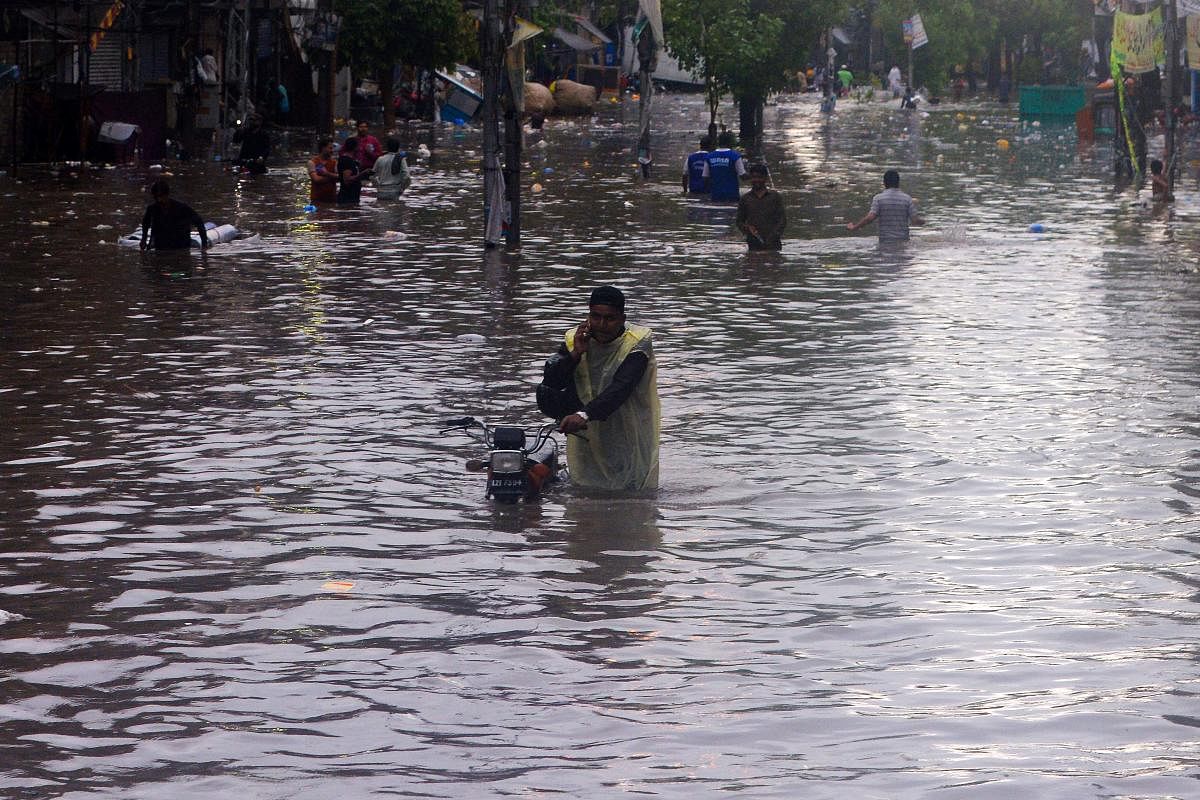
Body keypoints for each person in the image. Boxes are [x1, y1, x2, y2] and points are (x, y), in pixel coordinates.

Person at [536, 285, 660, 492]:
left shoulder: (638, 342)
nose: (602, 325)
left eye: (609, 318)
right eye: (595, 317)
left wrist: (584, 414)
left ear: (622, 318)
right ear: (588, 316)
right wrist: (575, 354)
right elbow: (553, 382)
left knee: (631, 491)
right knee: (585, 490)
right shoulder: (574, 338)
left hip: (627, 427)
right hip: (585, 428)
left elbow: (621, 387)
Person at [847, 169, 925, 242]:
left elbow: (870, 218)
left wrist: (855, 227)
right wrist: (924, 222)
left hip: (884, 240)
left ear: (884, 183)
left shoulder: (878, 199)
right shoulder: (907, 199)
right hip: (903, 240)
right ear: (898, 183)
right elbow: (915, 221)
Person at [139, 180, 207, 251]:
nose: (159, 200)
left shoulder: (182, 208)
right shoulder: (152, 209)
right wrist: (144, 239)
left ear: (167, 195)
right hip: (160, 245)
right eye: (156, 197)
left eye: (161, 197)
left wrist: (204, 245)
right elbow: (145, 224)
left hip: (180, 245)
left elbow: (199, 223)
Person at [736, 163, 786, 251]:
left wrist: (775, 234)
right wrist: (747, 228)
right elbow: (739, 221)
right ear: (750, 178)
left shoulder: (775, 197)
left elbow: (782, 220)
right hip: (753, 244)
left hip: (773, 244)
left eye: (759, 177)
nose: (756, 180)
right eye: (754, 177)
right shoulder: (745, 198)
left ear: (765, 178)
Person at [706, 131, 745, 202]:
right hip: (732, 194)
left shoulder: (709, 156)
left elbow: (705, 177)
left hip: (715, 195)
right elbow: (742, 175)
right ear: (731, 142)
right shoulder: (735, 156)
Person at [336, 137, 369, 205]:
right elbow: (347, 180)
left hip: (352, 198)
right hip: (347, 199)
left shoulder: (352, 160)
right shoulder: (347, 160)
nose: (360, 148)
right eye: (359, 146)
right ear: (355, 147)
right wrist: (363, 173)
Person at [307, 138, 338, 204]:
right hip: (316, 199)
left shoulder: (335, 162)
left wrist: (327, 173)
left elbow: (339, 177)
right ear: (323, 148)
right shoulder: (312, 162)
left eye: (332, 148)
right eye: (330, 148)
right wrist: (333, 177)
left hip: (332, 199)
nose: (332, 151)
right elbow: (316, 179)